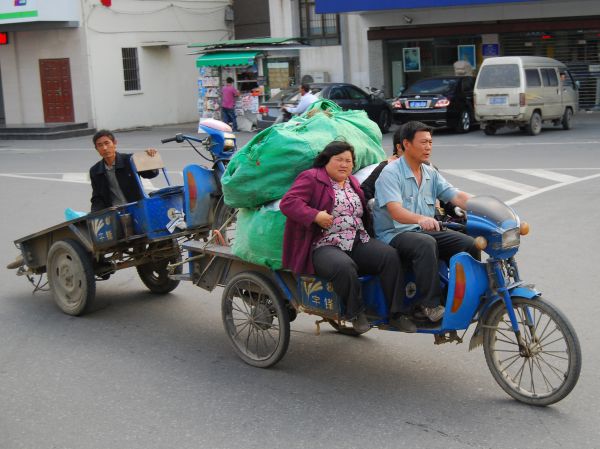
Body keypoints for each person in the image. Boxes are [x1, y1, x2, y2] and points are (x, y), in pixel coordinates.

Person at [280, 141, 416, 333]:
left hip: (357, 239)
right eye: (339, 160)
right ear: (326, 160)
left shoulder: (352, 181)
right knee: (344, 267)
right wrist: (315, 215)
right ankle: (354, 312)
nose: (344, 164)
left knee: (390, 256)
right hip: (324, 243)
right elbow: (288, 202)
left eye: (348, 161)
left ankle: (396, 314)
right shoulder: (311, 178)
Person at [373, 121, 479, 322]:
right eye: (423, 142)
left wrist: (483, 207)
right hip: (395, 234)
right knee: (425, 244)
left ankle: (460, 296)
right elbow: (395, 211)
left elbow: (455, 195)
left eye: (430, 142)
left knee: (469, 243)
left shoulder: (429, 172)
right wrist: (421, 218)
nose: (428, 147)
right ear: (406, 144)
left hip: (422, 231)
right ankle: (428, 306)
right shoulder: (391, 173)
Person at [90, 129, 159, 212]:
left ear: (114, 143)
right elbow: (97, 198)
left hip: (138, 208)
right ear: (96, 148)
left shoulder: (130, 160)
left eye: (107, 143)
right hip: (115, 213)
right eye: (100, 145)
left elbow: (150, 174)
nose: (104, 148)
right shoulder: (95, 171)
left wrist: (149, 159)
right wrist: (95, 214)